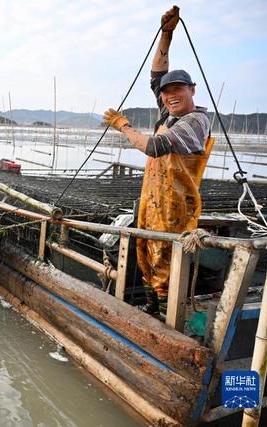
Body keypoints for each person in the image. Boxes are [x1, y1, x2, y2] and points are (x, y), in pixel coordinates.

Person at [102, 5, 213, 315]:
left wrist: (123, 125)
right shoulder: (169, 112)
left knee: (165, 261)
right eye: (167, 92)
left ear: (192, 90)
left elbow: (154, 147)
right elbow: (157, 75)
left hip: (177, 206)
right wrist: (166, 34)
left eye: (177, 89)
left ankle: (167, 317)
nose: (170, 95)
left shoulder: (195, 121)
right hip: (153, 200)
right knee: (146, 256)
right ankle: (150, 310)